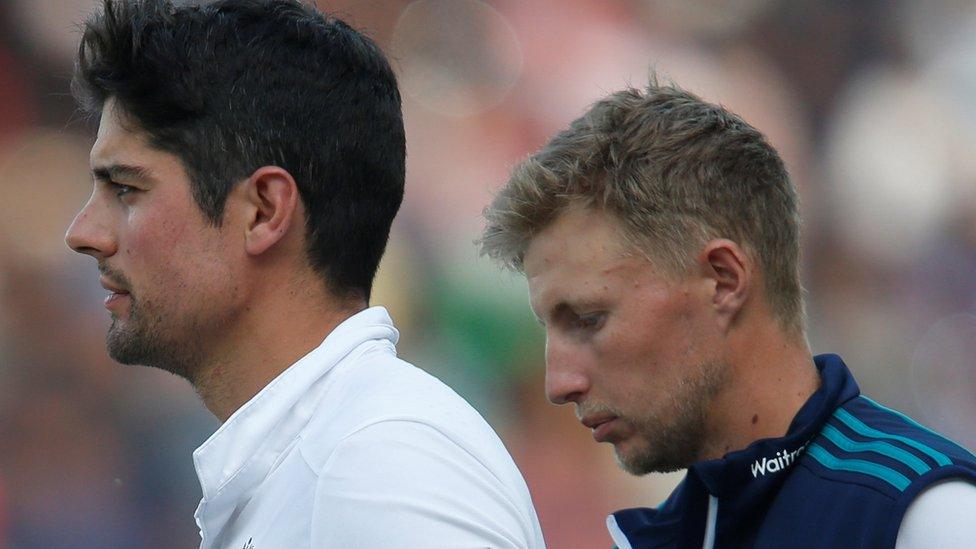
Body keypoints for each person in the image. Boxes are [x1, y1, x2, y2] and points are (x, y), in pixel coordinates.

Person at [65, 1, 545, 547]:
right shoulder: (333, 456)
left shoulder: (379, 464)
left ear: (265, 211)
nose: (82, 233)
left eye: (126, 189)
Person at [478, 78, 976, 548]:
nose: (558, 383)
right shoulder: (661, 535)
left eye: (588, 318)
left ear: (724, 279)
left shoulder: (925, 518)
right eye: (549, 328)